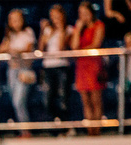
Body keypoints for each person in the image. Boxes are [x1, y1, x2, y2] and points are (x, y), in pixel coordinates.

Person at [0, 9, 36, 136]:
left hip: (24, 70)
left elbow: (27, 49)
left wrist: (12, 49)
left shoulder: (28, 32)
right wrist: (8, 48)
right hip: (12, 71)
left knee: (19, 101)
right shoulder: (9, 35)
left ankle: (26, 131)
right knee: (14, 101)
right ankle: (22, 129)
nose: (15, 22)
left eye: (17, 19)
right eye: (12, 20)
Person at [72, 1, 106, 135]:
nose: (83, 16)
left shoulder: (99, 26)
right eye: (81, 14)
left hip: (94, 64)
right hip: (81, 66)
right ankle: (90, 129)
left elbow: (96, 44)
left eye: (86, 13)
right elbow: (74, 47)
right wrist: (78, 29)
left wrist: (81, 51)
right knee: (85, 100)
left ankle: (97, 129)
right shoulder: (79, 28)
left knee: (96, 99)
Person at [39, 5, 74, 124]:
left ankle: (65, 125)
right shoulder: (48, 30)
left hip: (62, 66)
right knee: (48, 99)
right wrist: (42, 31)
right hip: (48, 66)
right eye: (53, 16)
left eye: (57, 16)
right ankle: (56, 121)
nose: (55, 18)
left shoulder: (68, 29)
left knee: (62, 97)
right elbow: (41, 49)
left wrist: (61, 30)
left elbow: (61, 47)